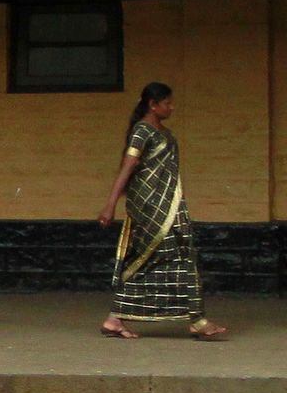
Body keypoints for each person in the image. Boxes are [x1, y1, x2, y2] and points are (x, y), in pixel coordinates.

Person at [97, 82, 227, 340]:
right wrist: (110, 203)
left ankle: (117, 318)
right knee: (156, 257)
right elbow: (128, 167)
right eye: (167, 103)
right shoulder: (141, 131)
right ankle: (196, 320)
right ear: (152, 105)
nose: (172, 107)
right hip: (148, 207)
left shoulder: (164, 133)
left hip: (171, 205)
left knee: (177, 256)